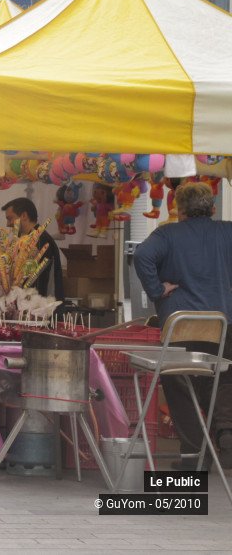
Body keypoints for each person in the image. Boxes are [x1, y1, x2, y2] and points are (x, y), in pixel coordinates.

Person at [134, 182, 232, 470]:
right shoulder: (227, 232)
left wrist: (157, 288)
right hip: (224, 323)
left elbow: (142, 256)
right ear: (212, 208)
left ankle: (194, 452)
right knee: (224, 378)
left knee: (178, 381)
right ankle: (226, 433)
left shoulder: (167, 234)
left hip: (182, 326)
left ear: (178, 210)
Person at [1, 197, 64, 301]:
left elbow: (37, 281)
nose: (7, 224)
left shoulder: (40, 240)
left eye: (10, 218)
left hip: (40, 307)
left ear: (24, 216)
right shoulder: (23, 240)